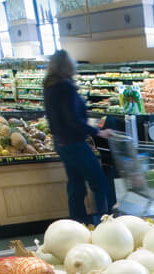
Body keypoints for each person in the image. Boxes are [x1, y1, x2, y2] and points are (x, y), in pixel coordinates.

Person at [43, 49, 110, 224]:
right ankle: (103, 221)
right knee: (99, 183)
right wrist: (97, 131)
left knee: (76, 185)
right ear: (66, 65)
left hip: (61, 143)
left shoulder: (49, 86)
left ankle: (78, 222)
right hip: (75, 143)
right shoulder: (66, 87)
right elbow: (73, 119)